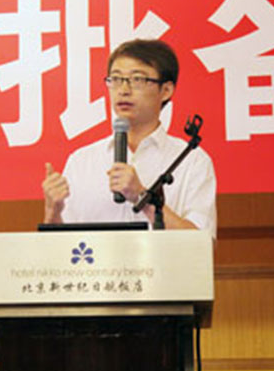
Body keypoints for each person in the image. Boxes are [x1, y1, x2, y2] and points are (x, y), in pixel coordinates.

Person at [42, 39, 217, 238]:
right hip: (98, 260)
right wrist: (52, 212)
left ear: (166, 90)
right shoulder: (81, 162)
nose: (123, 90)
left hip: (160, 260)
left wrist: (141, 197)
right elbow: (60, 245)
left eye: (137, 79)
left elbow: (203, 244)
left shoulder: (192, 161)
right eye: (116, 79)